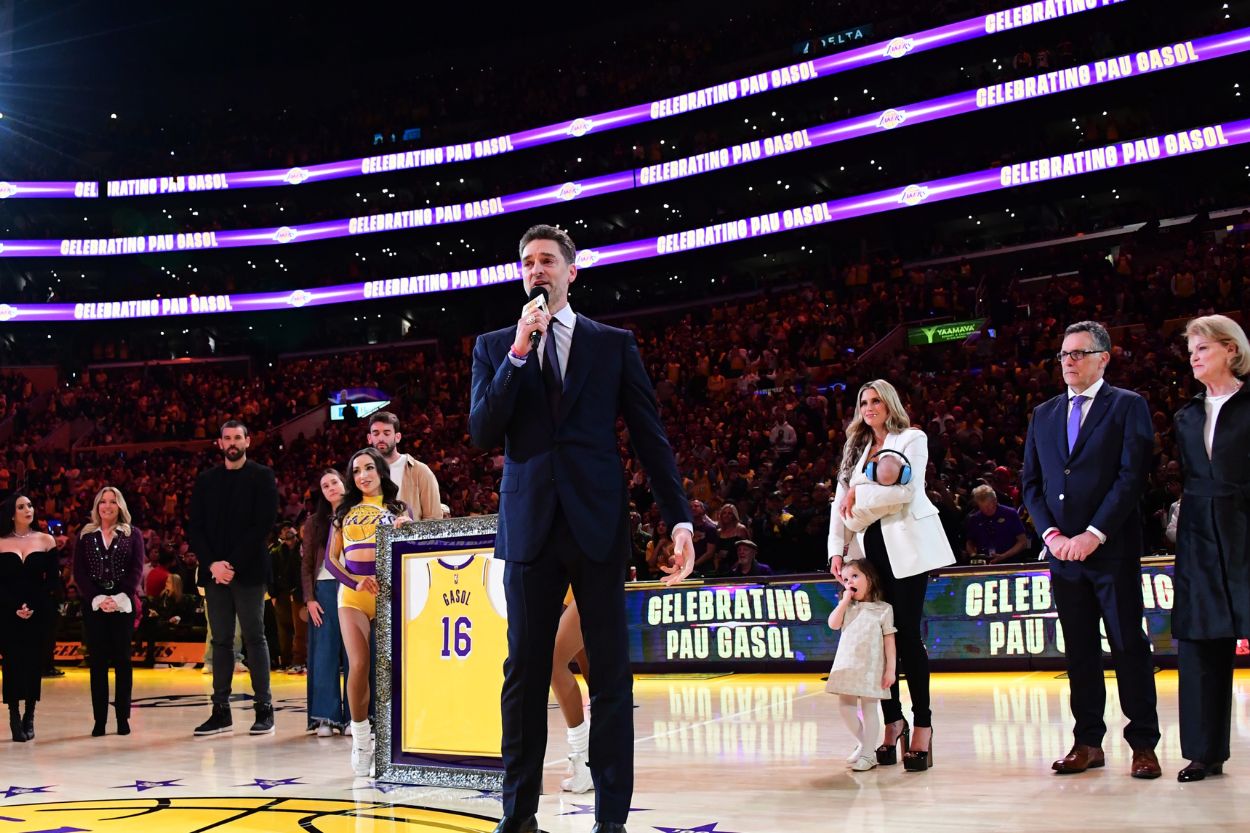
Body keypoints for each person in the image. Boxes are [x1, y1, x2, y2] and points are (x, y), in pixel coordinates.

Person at [470, 224, 695, 833]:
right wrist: (519, 352)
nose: (535, 270)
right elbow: (484, 432)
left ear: (572, 272)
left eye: (547, 261)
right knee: (522, 673)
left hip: (598, 525)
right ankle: (517, 815)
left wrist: (679, 518)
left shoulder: (612, 344)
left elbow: (650, 436)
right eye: (526, 263)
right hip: (529, 527)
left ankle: (611, 819)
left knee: (611, 675)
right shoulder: (496, 347)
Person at [1021, 321, 1161, 779]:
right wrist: (1053, 537)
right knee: (1079, 651)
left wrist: (1094, 533)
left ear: (1104, 357)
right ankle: (1087, 743)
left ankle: (1143, 743)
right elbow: (1032, 485)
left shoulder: (1127, 405)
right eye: (1063, 354)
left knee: (1128, 647)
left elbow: (1132, 476)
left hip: (1111, 549)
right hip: (1063, 556)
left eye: (1079, 353)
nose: (1069, 362)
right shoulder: (1042, 414)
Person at [828, 380, 955, 772]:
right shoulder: (855, 448)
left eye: (876, 401)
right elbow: (839, 500)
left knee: (907, 638)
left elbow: (905, 491)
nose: (869, 407)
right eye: (863, 402)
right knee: (878, 646)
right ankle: (893, 719)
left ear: (890, 403)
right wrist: (837, 547)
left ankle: (924, 724)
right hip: (869, 553)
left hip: (908, 550)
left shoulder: (911, 438)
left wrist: (857, 497)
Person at [1171, 314, 1250, 782]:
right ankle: (1203, 752)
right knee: (1200, 642)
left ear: (1231, 351)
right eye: (1191, 350)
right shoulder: (1186, 415)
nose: (1194, 356)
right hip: (1200, 533)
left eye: (1202, 347)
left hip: (1245, 524)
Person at [325, 448, 413, 776]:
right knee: (359, 663)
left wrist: (408, 529)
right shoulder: (344, 512)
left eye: (369, 468)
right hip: (353, 596)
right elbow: (330, 561)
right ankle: (362, 739)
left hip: (391, 594)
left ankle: (398, 739)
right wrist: (356, 581)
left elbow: (414, 547)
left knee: (395, 668)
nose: (363, 475)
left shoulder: (398, 508)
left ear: (380, 471)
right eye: (357, 470)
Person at [188, 420, 280, 737]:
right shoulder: (206, 480)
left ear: (247, 441)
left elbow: (263, 525)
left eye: (237, 437)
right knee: (221, 642)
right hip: (215, 575)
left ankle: (264, 709)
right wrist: (213, 564)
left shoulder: (262, 476)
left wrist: (231, 563)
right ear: (219, 442)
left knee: (255, 638)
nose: (232, 442)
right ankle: (220, 711)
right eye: (227, 438)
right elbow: (195, 528)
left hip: (250, 571)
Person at [72, 486, 145, 736]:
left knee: (123, 662)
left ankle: (122, 718)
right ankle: (99, 720)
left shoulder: (132, 534)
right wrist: (98, 597)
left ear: (120, 506)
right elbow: (79, 572)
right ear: (97, 506)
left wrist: (119, 596)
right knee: (98, 664)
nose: (107, 506)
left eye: (113, 502)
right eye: (103, 501)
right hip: (95, 605)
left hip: (122, 604)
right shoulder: (85, 535)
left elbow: (136, 569)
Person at [826, 558, 896, 772]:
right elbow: (833, 624)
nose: (849, 582)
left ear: (870, 579)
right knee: (845, 707)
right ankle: (865, 744)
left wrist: (890, 669)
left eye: (855, 576)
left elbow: (889, 640)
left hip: (871, 666)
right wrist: (844, 600)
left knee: (869, 708)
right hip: (847, 664)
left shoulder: (883, 609)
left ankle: (868, 755)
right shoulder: (847, 607)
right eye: (845, 579)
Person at [1, 493, 59, 742]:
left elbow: (53, 582)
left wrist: (33, 605)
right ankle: (14, 714)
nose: (28, 510)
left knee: (34, 663)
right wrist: (14, 606)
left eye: (30, 505)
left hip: (38, 611)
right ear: (11, 513)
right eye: (21, 506)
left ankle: (30, 715)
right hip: (6, 611)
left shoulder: (46, 541)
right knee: (12, 663)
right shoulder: (0, 542)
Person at [302, 468, 350, 737]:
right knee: (325, 654)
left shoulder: (359, 512)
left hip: (354, 586)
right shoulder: (314, 523)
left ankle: (358, 717)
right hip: (324, 590)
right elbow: (307, 563)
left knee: (355, 655)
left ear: (344, 483)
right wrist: (309, 599)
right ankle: (325, 717)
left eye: (334, 482)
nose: (331, 487)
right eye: (325, 485)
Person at [550, 593, 593, 794]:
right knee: (594, 674)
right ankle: (598, 761)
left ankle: (584, 758)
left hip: (590, 579)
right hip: (569, 587)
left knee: (553, 662)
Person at [367, 411, 444, 521]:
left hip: (410, 538)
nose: (381, 438)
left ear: (397, 437)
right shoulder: (362, 475)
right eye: (376, 433)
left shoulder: (420, 471)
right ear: (369, 438)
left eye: (387, 433)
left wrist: (411, 529)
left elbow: (434, 519)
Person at [963, 485, 1029, 564]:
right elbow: (970, 542)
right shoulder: (975, 519)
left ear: (995, 500)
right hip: (985, 565)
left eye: (988, 506)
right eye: (982, 507)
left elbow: (1022, 542)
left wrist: (1004, 556)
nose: (986, 510)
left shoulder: (1010, 514)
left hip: (1010, 562)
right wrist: (973, 555)